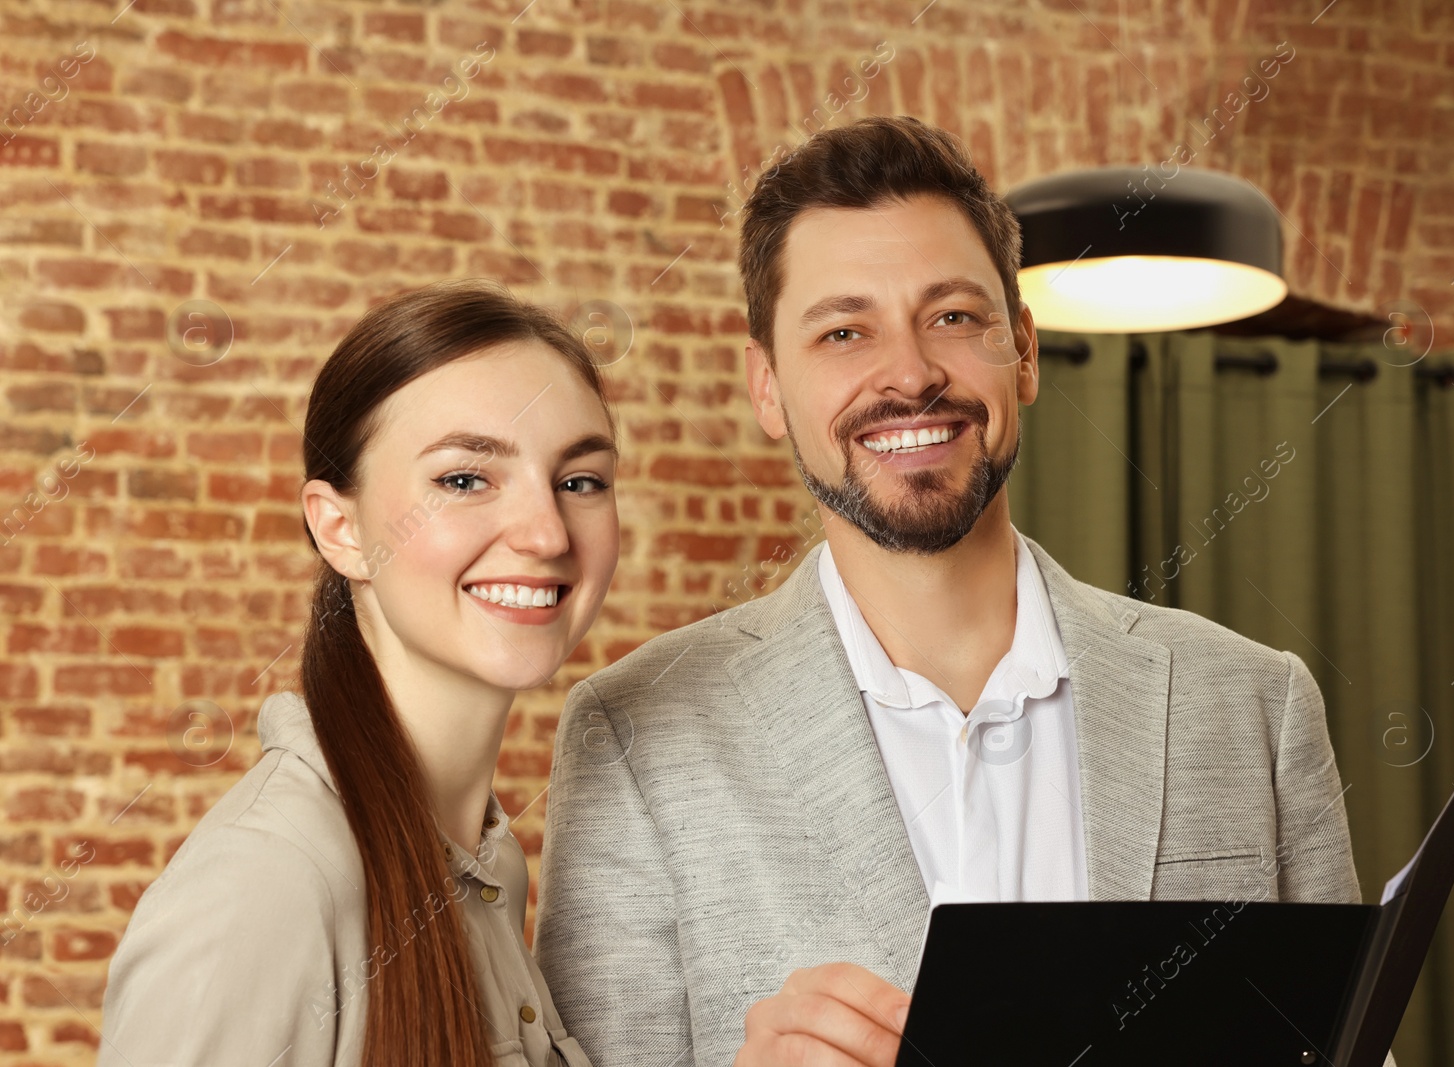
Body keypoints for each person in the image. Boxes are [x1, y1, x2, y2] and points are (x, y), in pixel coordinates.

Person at [534, 115, 1373, 1067]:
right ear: (767, 387)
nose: (910, 373)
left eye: (954, 317)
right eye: (844, 331)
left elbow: (1348, 1044)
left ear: (1024, 350)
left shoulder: (1256, 705)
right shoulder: (631, 738)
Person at [98, 279, 618, 1067]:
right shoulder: (265, 887)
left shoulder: (489, 863)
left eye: (579, 481)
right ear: (338, 527)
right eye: (464, 478)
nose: (546, 531)